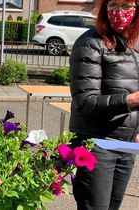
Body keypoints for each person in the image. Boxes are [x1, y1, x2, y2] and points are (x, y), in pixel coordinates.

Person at [69, 0, 139, 209]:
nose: (119, 12)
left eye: (126, 6)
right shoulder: (90, 43)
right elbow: (85, 103)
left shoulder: (133, 44)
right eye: (113, 5)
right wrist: (130, 100)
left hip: (126, 145)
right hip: (97, 145)